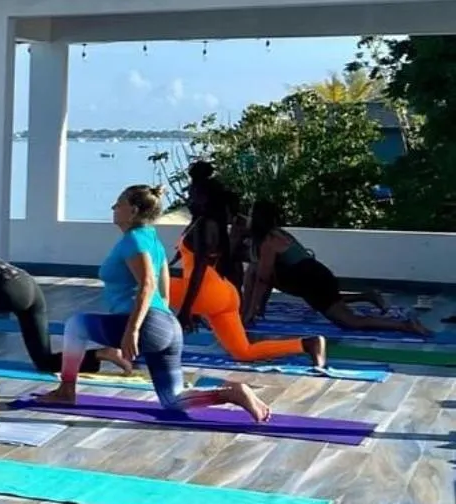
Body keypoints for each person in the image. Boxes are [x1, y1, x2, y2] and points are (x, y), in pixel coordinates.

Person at [35, 186, 272, 423]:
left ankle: (66, 390)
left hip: (149, 324)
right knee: (173, 400)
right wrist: (158, 324)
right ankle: (233, 394)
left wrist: (133, 330)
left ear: (133, 211)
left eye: (119, 203)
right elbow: (164, 293)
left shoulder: (133, 240)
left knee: (77, 325)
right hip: (167, 326)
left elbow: (148, 283)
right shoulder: (151, 239)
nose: (113, 208)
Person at [170, 164, 328, 370]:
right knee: (243, 352)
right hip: (223, 295)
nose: (188, 199)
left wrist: (186, 309)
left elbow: (199, 269)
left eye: (193, 195)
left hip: (206, 292)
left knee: (144, 285)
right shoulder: (207, 224)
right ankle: (308, 344)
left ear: (205, 199)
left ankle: (124, 342)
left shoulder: (204, 226)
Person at [243, 200, 428, 337]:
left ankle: (404, 325)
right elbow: (263, 278)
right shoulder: (279, 234)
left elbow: (262, 280)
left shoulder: (268, 241)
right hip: (317, 276)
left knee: (351, 322)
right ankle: (370, 297)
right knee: (255, 269)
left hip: (312, 281)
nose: (247, 218)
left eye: (250, 214)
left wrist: (251, 311)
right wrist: (257, 309)